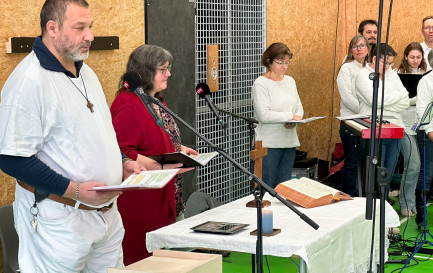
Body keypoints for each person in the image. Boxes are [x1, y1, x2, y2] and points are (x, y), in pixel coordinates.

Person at [0, 1, 144, 272]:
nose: (89, 35)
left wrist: (122, 161)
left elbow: (96, 133)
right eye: (80, 28)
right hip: (57, 223)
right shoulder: (29, 81)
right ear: (52, 28)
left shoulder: (86, 72)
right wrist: (75, 191)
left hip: (105, 218)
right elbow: (12, 159)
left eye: (90, 27)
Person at [110, 44, 198, 265]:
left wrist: (180, 150)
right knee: (144, 260)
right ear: (146, 72)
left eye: (168, 68)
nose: (168, 74)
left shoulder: (154, 99)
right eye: (163, 69)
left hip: (167, 193)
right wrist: (161, 166)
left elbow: (160, 138)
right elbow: (121, 151)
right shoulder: (128, 104)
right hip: (142, 200)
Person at [355, 43, 410, 201]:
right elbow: (376, 101)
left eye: (391, 63)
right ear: (374, 59)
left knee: (388, 175)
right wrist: (395, 99)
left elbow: (405, 98)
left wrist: (389, 102)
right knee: (374, 175)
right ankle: (374, 215)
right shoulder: (363, 76)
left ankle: (384, 212)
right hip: (375, 131)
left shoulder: (391, 73)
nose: (388, 67)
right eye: (385, 63)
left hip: (395, 129)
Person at [252, 42, 304, 189]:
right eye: (280, 62)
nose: (284, 66)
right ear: (269, 62)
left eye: (287, 62)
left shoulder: (290, 81)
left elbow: (299, 108)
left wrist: (296, 119)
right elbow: (263, 115)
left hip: (288, 141)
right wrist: (288, 116)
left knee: (283, 189)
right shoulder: (260, 84)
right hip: (269, 144)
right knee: (266, 188)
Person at [395, 42, 425, 217]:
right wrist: (413, 100)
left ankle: (415, 202)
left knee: (420, 167)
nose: (415, 60)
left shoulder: (426, 75)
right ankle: (406, 202)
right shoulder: (396, 75)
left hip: (422, 125)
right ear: (405, 57)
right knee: (413, 164)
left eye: (418, 57)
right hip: (404, 125)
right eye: (412, 57)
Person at [337, 35, 369, 196]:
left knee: (365, 161)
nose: (359, 49)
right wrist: (365, 111)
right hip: (350, 122)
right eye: (355, 46)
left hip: (368, 122)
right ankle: (348, 196)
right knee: (352, 162)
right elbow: (346, 96)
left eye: (362, 45)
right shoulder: (346, 68)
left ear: (367, 49)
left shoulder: (370, 69)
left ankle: (362, 196)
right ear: (351, 50)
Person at [414, 50, 433, 227]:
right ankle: (421, 214)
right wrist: (429, 130)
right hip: (429, 133)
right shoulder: (426, 81)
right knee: (427, 172)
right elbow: (422, 110)